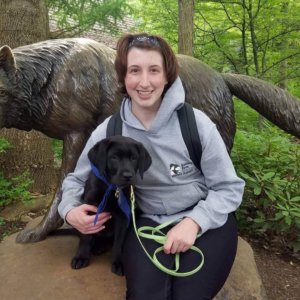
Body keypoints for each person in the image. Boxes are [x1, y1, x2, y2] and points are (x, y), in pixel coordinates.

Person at [58, 33, 245, 300]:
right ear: (123, 77)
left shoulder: (195, 124)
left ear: (167, 76)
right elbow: (76, 180)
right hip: (147, 222)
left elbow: (229, 187)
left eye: (154, 70)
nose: (144, 82)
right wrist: (69, 211)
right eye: (135, 70)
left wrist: (194, 223)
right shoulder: (110, 129)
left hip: (206, 221)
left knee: (188, 296)